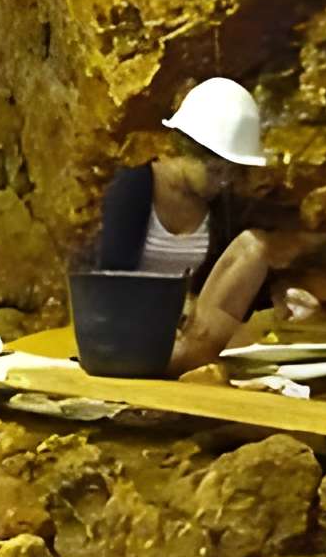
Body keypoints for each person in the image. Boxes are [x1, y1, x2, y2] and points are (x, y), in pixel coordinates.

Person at [94, 77, 277, 371]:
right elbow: (106, 281)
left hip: (188, 334)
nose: (224, 181)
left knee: (254, 246)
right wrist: (170, 303)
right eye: (215, 171)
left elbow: (238, 293)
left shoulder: (218, 208)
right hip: (130, 334)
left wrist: (283, 299)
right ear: (187, 151)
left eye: (230, 172)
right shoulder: (132, 188)